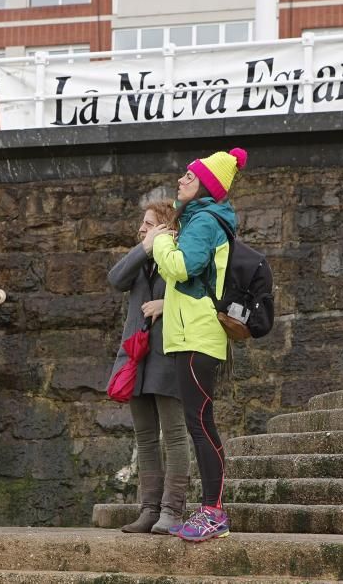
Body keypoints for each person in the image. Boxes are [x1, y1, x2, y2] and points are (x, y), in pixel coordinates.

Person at [143, 147, 248, 543]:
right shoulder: (197, 218)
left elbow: (182, 267)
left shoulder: (205, 221)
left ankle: (213, 511)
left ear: (207, 185)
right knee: (197, 423)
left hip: (199, 333)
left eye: (189, 176)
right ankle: (209, 509)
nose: (180, 180)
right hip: (190, 333)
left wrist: (159, 243)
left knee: (201, 425)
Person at [108, 199, 190, 535]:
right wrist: (143, 247)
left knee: (173, 435)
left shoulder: (184, 255)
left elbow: (204, 296)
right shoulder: (142, 257)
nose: (141, 228)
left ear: (167, 228)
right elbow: (115, 278)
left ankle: (173, 510)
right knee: (144, 437)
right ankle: (149, 509)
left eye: (148, 224)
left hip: (168, 354)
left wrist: (168, 304)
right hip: (136, 356)